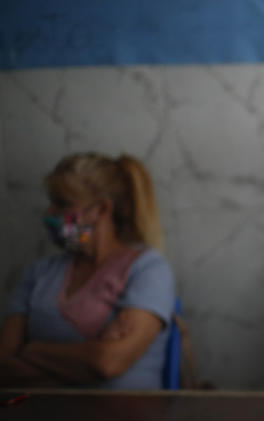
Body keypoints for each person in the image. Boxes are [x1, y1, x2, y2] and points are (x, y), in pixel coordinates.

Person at [0, 153, 175, 390]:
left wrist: (33, 349)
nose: (49, 213)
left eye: (62, 203)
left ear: (101, 209)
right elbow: (4, 368)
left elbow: (108, 362)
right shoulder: (40, 272)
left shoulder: (148, 269)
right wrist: (87, 365)